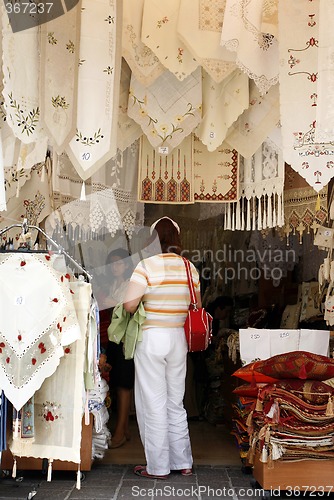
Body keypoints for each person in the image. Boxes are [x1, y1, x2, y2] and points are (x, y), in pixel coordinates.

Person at [123, 216, 201, 479]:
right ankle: (184, 462)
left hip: (152, 338)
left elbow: (129, 306)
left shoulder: (146, 266)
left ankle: (157, 467)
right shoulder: (189, 268)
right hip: (178, 338)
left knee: (152, 403)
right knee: (175, 403)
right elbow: (197, 306)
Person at [98, 248, 135, 449]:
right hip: (112, 338)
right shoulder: (112, 283)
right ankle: (124, 428)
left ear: (127, 265)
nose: (115, 267)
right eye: (112, 263)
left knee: (124, 383)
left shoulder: (131, 285)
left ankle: (120, 430)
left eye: (119, 263)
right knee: (116, 382)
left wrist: (114, 303)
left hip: (124, 339)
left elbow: (131, 307)